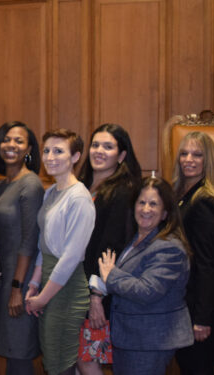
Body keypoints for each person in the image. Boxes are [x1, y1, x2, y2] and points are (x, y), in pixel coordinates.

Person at [95, 177, 193, 375]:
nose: (145, 209)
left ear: (165, 213)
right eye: (141, 202)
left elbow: (147, 290)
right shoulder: (136, 239)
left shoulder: (169, 247)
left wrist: (111, 275)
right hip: (130, 337)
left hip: (149, 340)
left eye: (153, 204)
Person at [25, 129, 94, 375]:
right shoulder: (50, 192)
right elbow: (44, 244)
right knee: (52, 358)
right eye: (46, 151)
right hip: (48, 283)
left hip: (67, 288)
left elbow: (71, 257)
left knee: (60, 362)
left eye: (59, 151)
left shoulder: (80, 197)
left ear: (75, 157)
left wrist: (43, 298)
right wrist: (35, 283)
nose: (50, 157)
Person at [77, 123, 142, 374]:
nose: (99, 151)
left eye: (108, 146)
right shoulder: (81, 186)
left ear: (122, 155)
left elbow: (111, 247)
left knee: (88, 358)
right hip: (73, 286)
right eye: (95, 145)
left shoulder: (122, 191)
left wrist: (96, 296)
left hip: (97, 290)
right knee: (76, 355)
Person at [171, 132, 214, 374]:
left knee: (198, 367)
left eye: (197, 155)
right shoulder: (185, 194)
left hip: (200, 305)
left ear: (209, 161)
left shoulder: (205, 200)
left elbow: (208, 263)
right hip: (188, 300)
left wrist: (202, 318)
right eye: (184, 154)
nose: (189, 159)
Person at [0, 121, 44, 375]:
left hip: (20, 279)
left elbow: (29, 240)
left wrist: (16, 289)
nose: (11, 145)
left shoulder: (30, 184)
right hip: (6, 276)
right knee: (11, 351)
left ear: (29, 148)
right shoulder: (2, 185)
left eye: (19, 141)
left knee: (20, 352)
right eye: (7, 139)